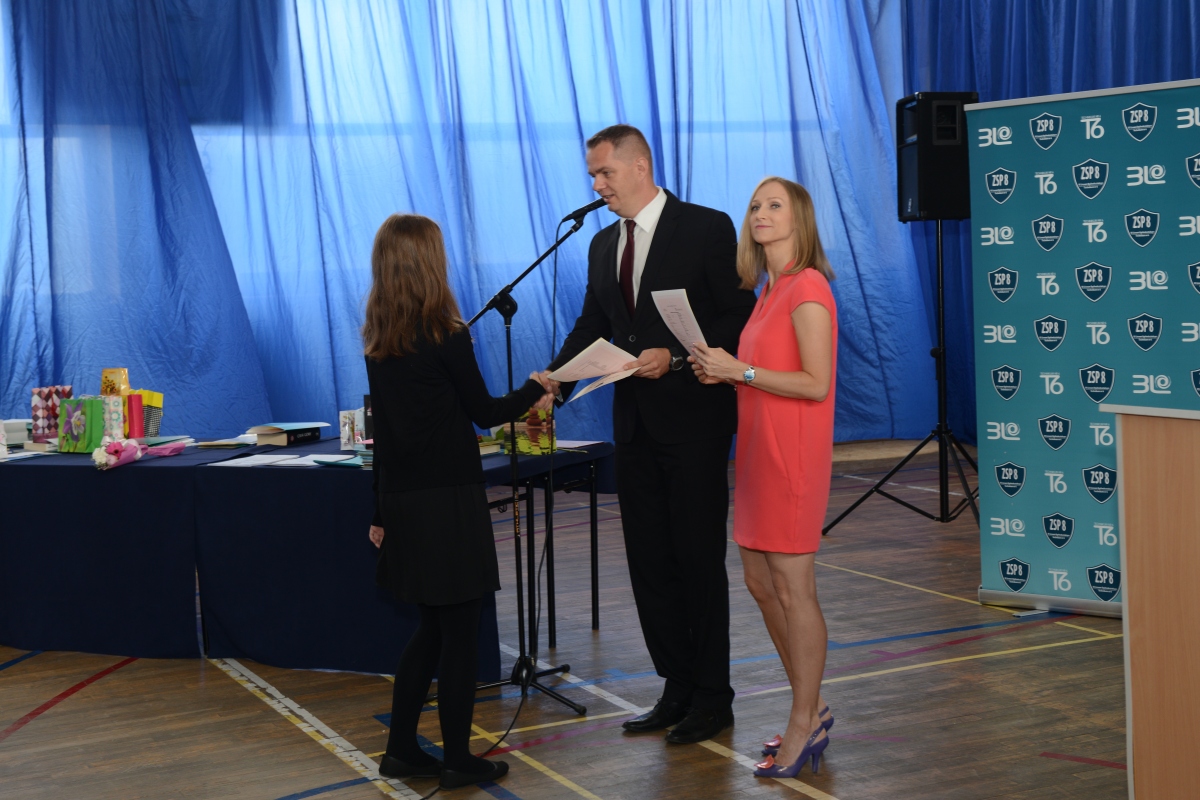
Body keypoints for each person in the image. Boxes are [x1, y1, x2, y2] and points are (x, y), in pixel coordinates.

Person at [539, 125, 757, 744]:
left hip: (693, 421)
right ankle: (676, 687)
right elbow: (591, 325)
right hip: (633, 424)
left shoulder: (706, 227)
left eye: (604, 173)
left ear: (640, 166)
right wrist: (553, 381)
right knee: (650, 563)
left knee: (696, 559)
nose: (597, 185)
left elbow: (738, 316)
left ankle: (713, 697)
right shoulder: (603, 243)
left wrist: (679, 358)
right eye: (592, 175)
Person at [363, 214, 554, 790]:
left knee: (431, 629)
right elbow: (487, 412)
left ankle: (401, 750)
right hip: (447, 501)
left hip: (405, 502)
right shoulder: (446, 333)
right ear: (429, 263)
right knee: (460, 633)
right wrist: (538, 387)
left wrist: (379, 512)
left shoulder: (379, 340)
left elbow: (384, 437)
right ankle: (456, 760)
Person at [690, 177, 837, 778]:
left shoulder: (808, 287)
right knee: (759, 581)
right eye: (755, 205)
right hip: (755, 452)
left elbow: (816, 383)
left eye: (775, 205)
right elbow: (761, 370)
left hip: (791, 455)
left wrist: (741, 371)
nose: (760, 213)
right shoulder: (767, 291)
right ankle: (812, 704)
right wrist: (724, 373)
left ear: (800, 219)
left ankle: (804, 719)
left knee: (794, 588)